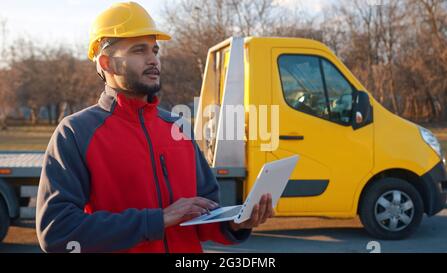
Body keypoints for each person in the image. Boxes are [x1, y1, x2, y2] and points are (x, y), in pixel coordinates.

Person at [36, 1, 274, 253]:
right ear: (106, 63)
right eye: (139, 51)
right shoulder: (75, 132)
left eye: (155, 50)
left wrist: (238, 223)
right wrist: (157, 220)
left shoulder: (177, 127)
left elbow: (204, 217)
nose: (153, 60)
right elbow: (57, 232)